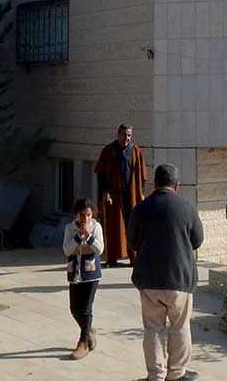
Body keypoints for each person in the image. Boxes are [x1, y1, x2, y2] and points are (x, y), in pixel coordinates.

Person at [128, 163, 204, 381]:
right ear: (177, 185)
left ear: (155, 184)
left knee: (153, 328)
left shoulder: (141, 208)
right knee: (180, 326)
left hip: (149, 279)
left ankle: (156, 376)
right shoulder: (187, 207)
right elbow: (198, 240)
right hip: (180, 278)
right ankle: (177, 374)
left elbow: (132, 242)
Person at [94, 124, 148, 267]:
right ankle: (112, 259)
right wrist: (105, 191)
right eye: (124, 135)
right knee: (113, 226)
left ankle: (134, 258)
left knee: (133, 226)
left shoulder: (136, 151)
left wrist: (142, 192)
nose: (126, 138)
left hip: (132, 195)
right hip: (114, 195)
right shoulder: (108, 151)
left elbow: (143, 175)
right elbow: (100, 174)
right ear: (118, 134)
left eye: (129, 135)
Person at [63, 197, 104, 360]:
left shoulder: (96, 227)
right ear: (76, 216)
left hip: (91, 273)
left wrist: (89, 236)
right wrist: (79, 236)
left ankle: (83, 342)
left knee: (86, 308)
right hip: (75, 272)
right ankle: (89, 331)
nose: (86, 219)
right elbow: (66, 250)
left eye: (88, 215)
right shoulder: (70, 228)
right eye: (82, 215)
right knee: (74, 308)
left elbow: (100, 249)